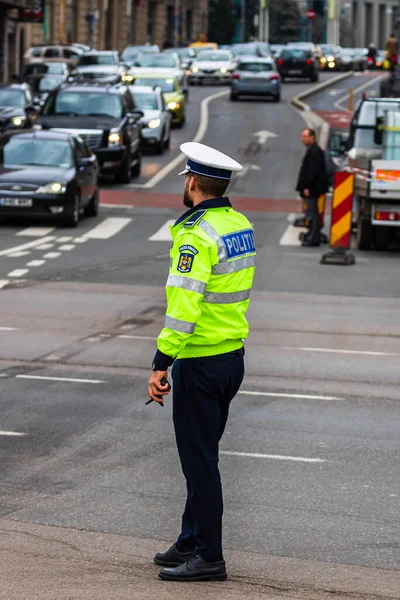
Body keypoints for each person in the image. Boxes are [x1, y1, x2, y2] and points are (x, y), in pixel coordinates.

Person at [147, 142, 256, 582]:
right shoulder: (238, 223)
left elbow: (183, 307)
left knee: (200, 464)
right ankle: (190, 540)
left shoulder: (196, 234)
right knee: (203, 454)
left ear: (192, 182)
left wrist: (161, 362)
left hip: (201, 360)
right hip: (231, 357)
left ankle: (209, 556)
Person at [296, 128, 329, 247]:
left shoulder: (315, 152)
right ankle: (312, 235)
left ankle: (313, 238)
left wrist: (307, 187)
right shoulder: (313, 150)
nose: (302, 139)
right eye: (302, 136)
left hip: (312, 189)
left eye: (305, 136)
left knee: (313, 214)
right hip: (312, 188)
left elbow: (312, 171)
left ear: (312, 137)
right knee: (311, 213)